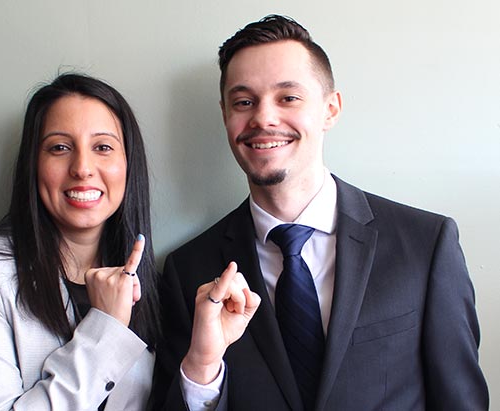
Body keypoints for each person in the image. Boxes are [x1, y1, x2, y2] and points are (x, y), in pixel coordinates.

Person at [151, 15, 489, 411]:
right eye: (244, 102)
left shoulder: (425, 244)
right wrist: (203, 367)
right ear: (226, 114)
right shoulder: (186, 270)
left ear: (330, 109)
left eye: (288, 98)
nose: (263, 118)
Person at [0, 73, 162, 410]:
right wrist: (106, 328)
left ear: (129, 166)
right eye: (60, 148)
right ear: (34, 165)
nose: (82, 168)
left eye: (103, 147)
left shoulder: (149, 284)